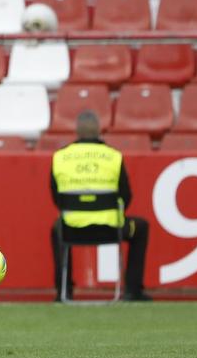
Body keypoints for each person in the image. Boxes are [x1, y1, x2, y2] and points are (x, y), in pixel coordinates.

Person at [50, 110, 150, 302]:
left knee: (57, 229)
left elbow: (57, 198)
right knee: (141, 227)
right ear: (99, 130)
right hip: (111, 229)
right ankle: (132, 291)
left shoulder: (60, 158)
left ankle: (64, 291)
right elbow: (126, 196)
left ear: (77, 131)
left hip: (72, 230)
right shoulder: (113, 157)